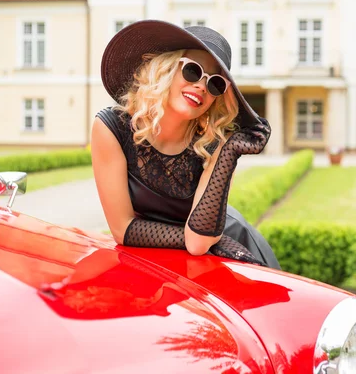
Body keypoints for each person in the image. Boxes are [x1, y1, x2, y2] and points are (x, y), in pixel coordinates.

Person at [91, 20, 280, 269]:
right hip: (207, 245)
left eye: (215, 83)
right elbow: (122, 229)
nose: (202, 85)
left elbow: (199, 243)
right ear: (165, 69)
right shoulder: (111, 129)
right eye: (192, 71)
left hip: (231, 245)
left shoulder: (215, 144)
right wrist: (193, 237)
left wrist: (231, 150)